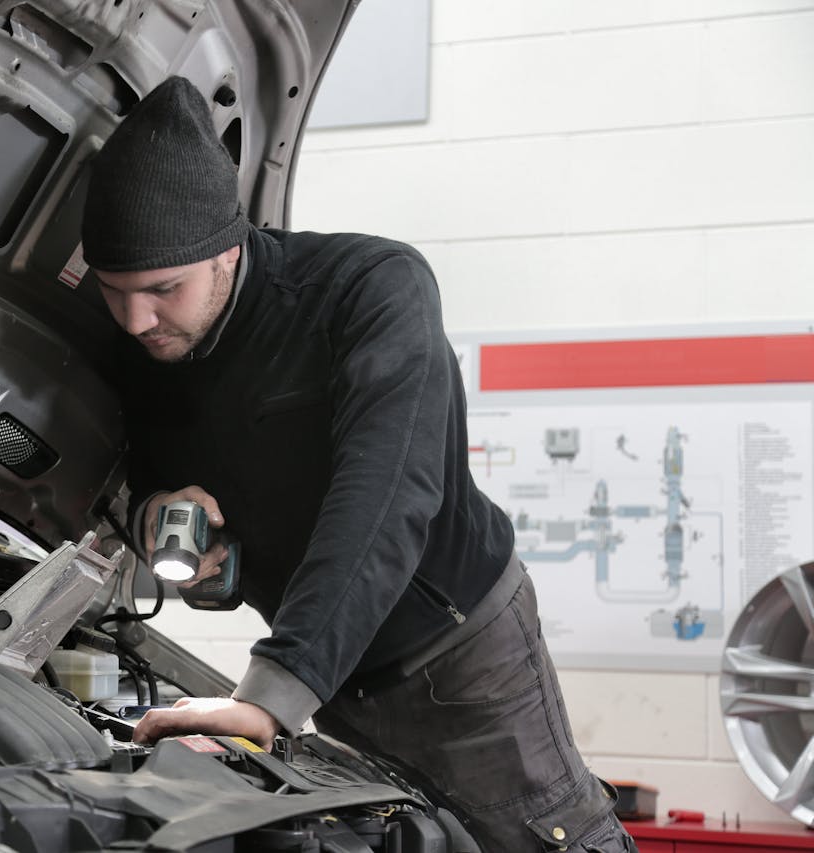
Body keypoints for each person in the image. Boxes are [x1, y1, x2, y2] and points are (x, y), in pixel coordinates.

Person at [80, 76, 634, 852]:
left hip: (460, 658)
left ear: (228, 247)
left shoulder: (368, 291)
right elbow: (135, 471)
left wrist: (270, 695)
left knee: (544, 840)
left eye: (162, 290)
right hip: (331, 676)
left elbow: (386, 495)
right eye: (114, 292)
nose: (136, 319)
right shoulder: (142, 345)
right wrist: (156, 520)